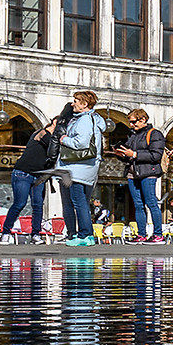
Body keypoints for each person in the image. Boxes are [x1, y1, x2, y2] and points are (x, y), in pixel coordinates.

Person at [53, 91, 109, 247]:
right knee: (80, 202)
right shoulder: (89, 119)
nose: (73, 104)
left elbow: (81, 143)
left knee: (79, 202)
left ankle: (85, 235)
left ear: (85, 104)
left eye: (76, 101)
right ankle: (84, 234)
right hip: (83, 167)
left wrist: (64, 139)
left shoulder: (84, 120)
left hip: (77, 167)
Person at [110, 108, 167, 243]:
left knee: (151, 202)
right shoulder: (133, 135)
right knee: (138, 204)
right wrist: (122, 155)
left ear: (143, 120)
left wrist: (135, 154)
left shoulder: (155, 134)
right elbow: (129, 156)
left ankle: (158, 234)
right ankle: (141, 234)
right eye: (130, 122)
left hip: (148, 172)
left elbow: (156, 155)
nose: (131, 125)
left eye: (134, 122)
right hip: (133, 173)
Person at [3, 112, 60, 242]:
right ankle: (5, 232)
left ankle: (35, 234)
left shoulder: (53, 139)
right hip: (23, 173)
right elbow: (51, 145)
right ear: (55, 123)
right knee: (20, 203)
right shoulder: (42, 133)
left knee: (38, 205)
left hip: (38, 176)